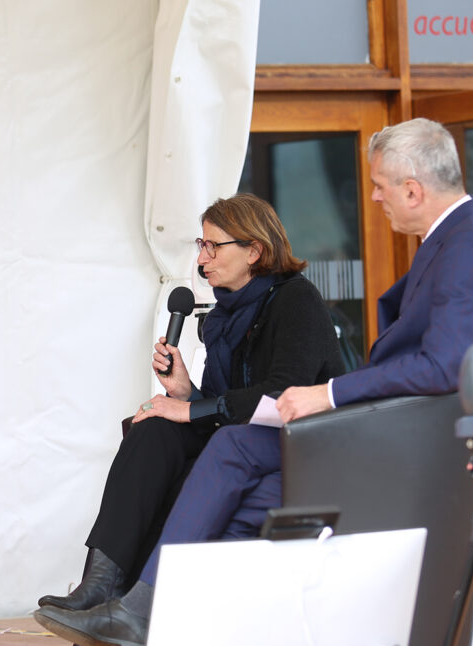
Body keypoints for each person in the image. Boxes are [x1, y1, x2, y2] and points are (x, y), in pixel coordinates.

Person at [36, 118, 473, 646]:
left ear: (412, 188)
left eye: (381, 185)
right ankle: (128, 597)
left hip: (389, 436)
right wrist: (186, 396)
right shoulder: (447, 242)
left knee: (233, 448)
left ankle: (149, 609)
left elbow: (443, 366)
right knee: (182, 447)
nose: (375, 197)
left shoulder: (464, 246)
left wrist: (330, 393)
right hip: (370, 429)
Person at [34, 194, 344, 629]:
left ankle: (141, 605)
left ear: (254, 250)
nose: (202, 258)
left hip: (298, 436)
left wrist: (193, 409)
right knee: (153, 426)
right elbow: (224, 400)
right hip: (245, 432)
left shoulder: (296, 301)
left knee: (175, 420)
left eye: (213, 246)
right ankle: (101, 582)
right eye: (201, 245)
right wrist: (185, 391)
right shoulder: (224, 313)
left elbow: (280, 393)